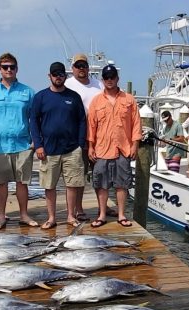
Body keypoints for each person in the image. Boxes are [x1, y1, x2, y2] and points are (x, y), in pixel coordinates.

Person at [0, 53, 36, 230]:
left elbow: (34, 117)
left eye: (12, 66)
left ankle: (24, 214)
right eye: (5, 67)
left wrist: (34, 141)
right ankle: (1, 215)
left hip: (23, 145)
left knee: (22, 182)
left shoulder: (27, 91)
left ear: (17, 69)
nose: (9, 70)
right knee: (1, 183)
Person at [30, 62, 86, 229]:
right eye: (55, 74)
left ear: (65, 76)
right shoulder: (40, 97)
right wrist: (38, 145)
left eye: (61, 74)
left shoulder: (74, 97)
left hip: (71, 149)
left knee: (72, 184)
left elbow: (82, 121)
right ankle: (51, 217)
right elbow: (34, 122)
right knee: (49, 185)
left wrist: (80, 144)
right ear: (50, 76)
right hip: (48, 150)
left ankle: (70, 216)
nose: (58, 77)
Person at [87, 64, 142, 228]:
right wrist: (90, 146)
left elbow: (136, 124)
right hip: (102, 149)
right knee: (101, 184)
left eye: (112, 77)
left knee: (122, 183)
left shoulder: (129, 99)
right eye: (106, 78)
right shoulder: (96, 101)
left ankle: (121, 214)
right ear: (103, 80)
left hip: (123, 149)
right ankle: (102, 214)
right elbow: (91, 126)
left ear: (117, 79)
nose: (109, 80)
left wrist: (135, 145)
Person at [65, 53, 112, 220]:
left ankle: (103, 206)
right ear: (73, 68)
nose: (81, 68)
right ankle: (78, 208)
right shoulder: (67, 84)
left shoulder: (98, 84)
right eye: (78, 66)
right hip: (77, 136)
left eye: (84, 65)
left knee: (100, 174)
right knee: (79, 174)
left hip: (99, 137)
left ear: (88, 67)